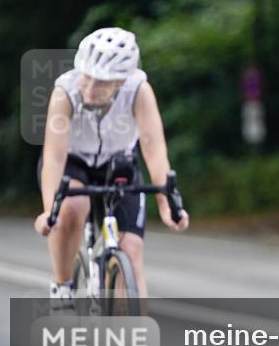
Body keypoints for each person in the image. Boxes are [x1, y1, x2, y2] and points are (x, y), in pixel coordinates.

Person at [33, 27, 189, 307]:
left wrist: (167, 205)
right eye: (87, 76)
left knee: (131, 248)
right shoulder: (64, 92)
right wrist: (49, 212)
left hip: (118, 163)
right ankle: (62, 286)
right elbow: (54, 157)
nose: (91, 89)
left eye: (102, 82)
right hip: (73, 161)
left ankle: (134, 336)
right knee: (72, 208)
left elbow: (153, 150)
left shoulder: (138, 90)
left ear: (121, 80)